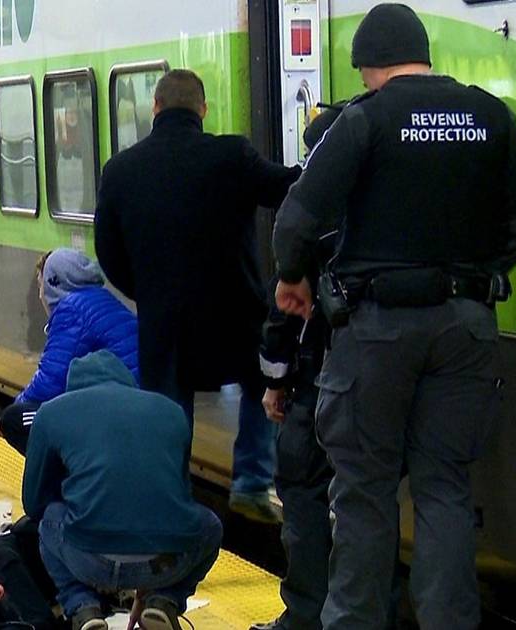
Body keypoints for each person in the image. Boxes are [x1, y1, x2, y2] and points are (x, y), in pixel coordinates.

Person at [271, 5, 516, 629]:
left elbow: (298, 216)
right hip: (467, 326)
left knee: (363, 495)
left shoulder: (365, 120)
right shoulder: (492, 116)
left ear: (369, 65)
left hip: (378, 330)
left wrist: (293, 278)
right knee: (445, 489)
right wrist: (471, 280)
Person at [94, 68, 300, 522]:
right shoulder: (231, 155)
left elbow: (107, 251)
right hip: (235, 312)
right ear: (203, 110)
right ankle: (251, 479)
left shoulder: (121, 169)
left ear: (156, 108)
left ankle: (170, 497)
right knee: (261, 380)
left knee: (169, 408)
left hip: (164, 319)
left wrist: (147, 290)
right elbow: (285, 187)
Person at [23, 351, 222, 630]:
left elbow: (33, 503)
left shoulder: (52, 412)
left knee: (50, 518)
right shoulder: (171, 411)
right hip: (164, 563)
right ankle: (164, 601)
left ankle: (82, 608)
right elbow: (179, 496)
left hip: (89, 559)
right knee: (210, 526)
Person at [250, 104, 345, 630]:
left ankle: (307, 614)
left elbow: (282, 311)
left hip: (317, 381)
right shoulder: (384, 207)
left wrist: (275, 383)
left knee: (304, 494)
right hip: (384, 378)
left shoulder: (308, 213)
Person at [0, 248, 138, 454]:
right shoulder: (100, 299)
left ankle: (68, 480)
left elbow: (51, 380)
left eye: (41, 284)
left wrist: (13, 408)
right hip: (135, 402)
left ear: (54, 283)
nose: (40, 295)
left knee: (15, 419)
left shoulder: (72, 310)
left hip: (117, 414)